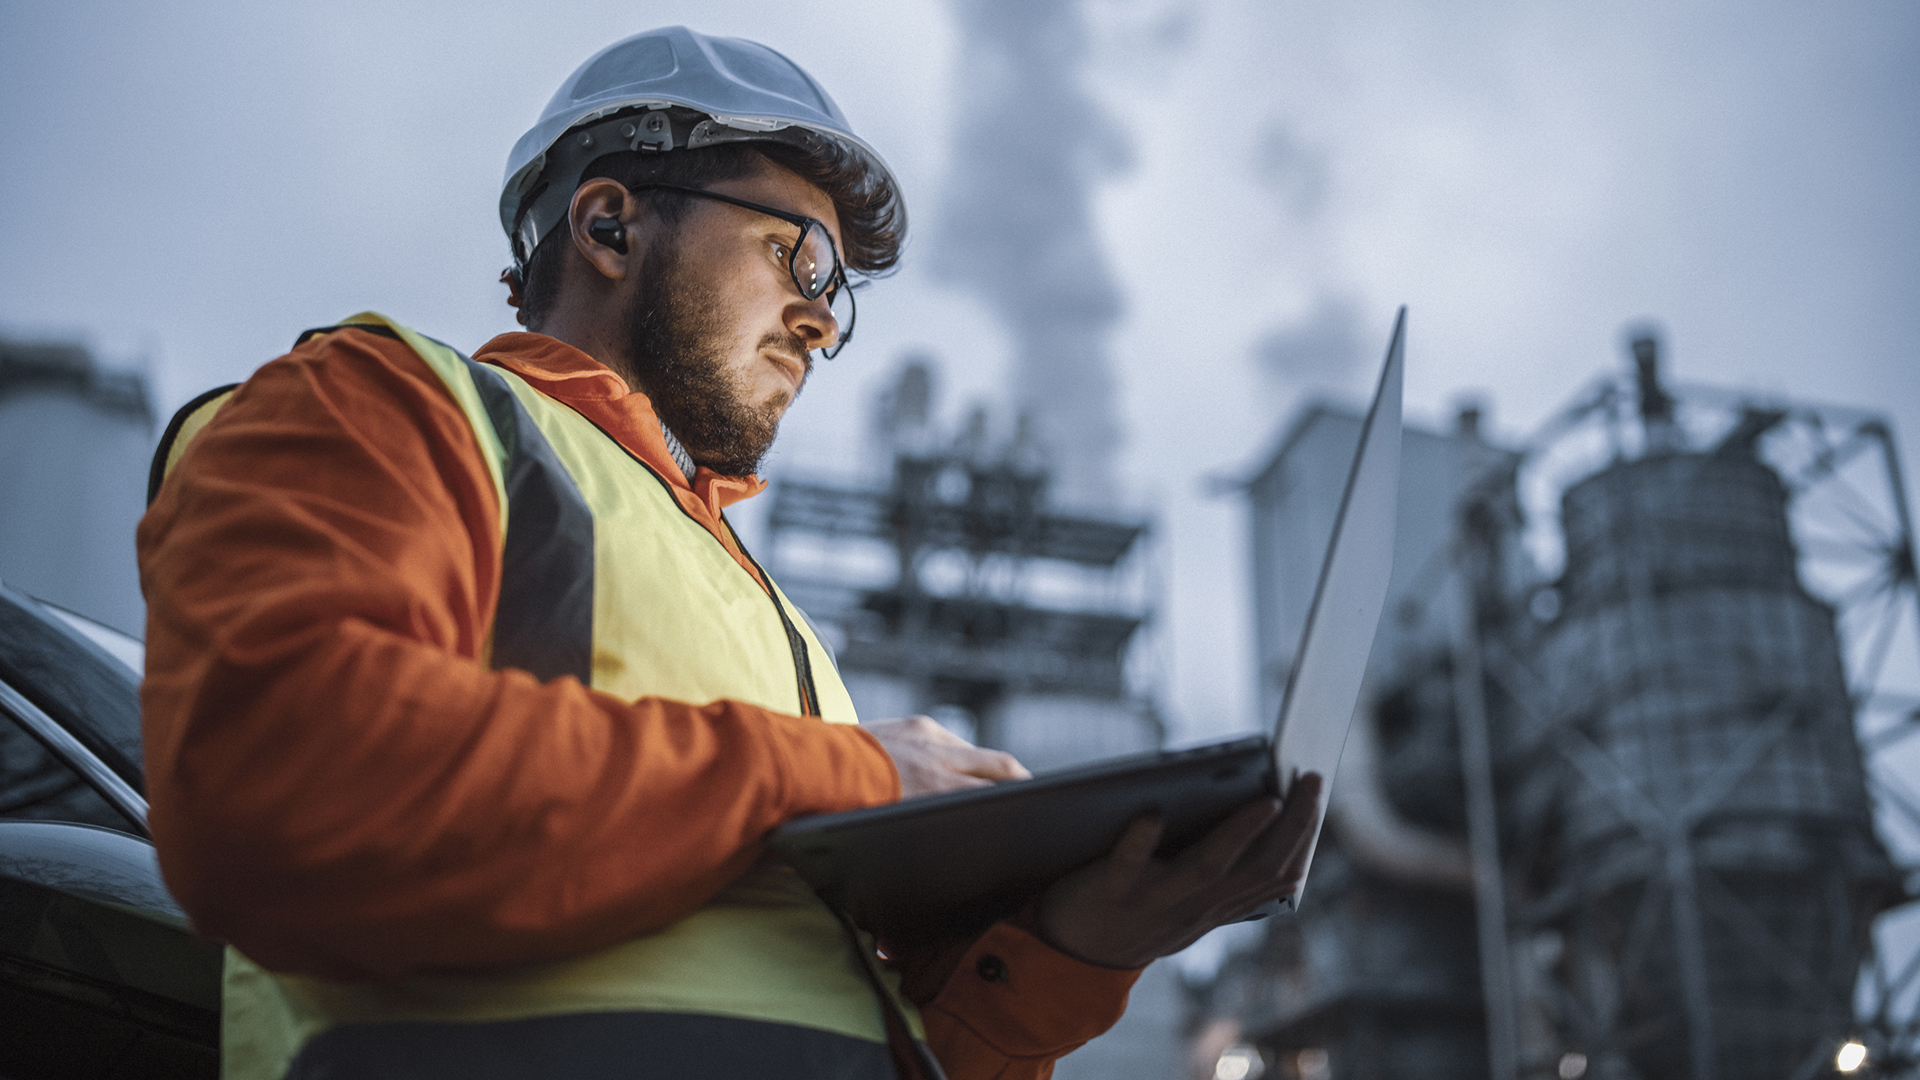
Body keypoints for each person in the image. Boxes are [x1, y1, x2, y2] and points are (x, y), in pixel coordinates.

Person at [137, 26, 1322, 1080]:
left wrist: (1070, 952)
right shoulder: (384, 407)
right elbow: (276, 782)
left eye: (838, 295)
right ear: (610, 224)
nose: (820, 317)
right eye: (796, 258)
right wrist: (847, 777)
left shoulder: (775, 625)